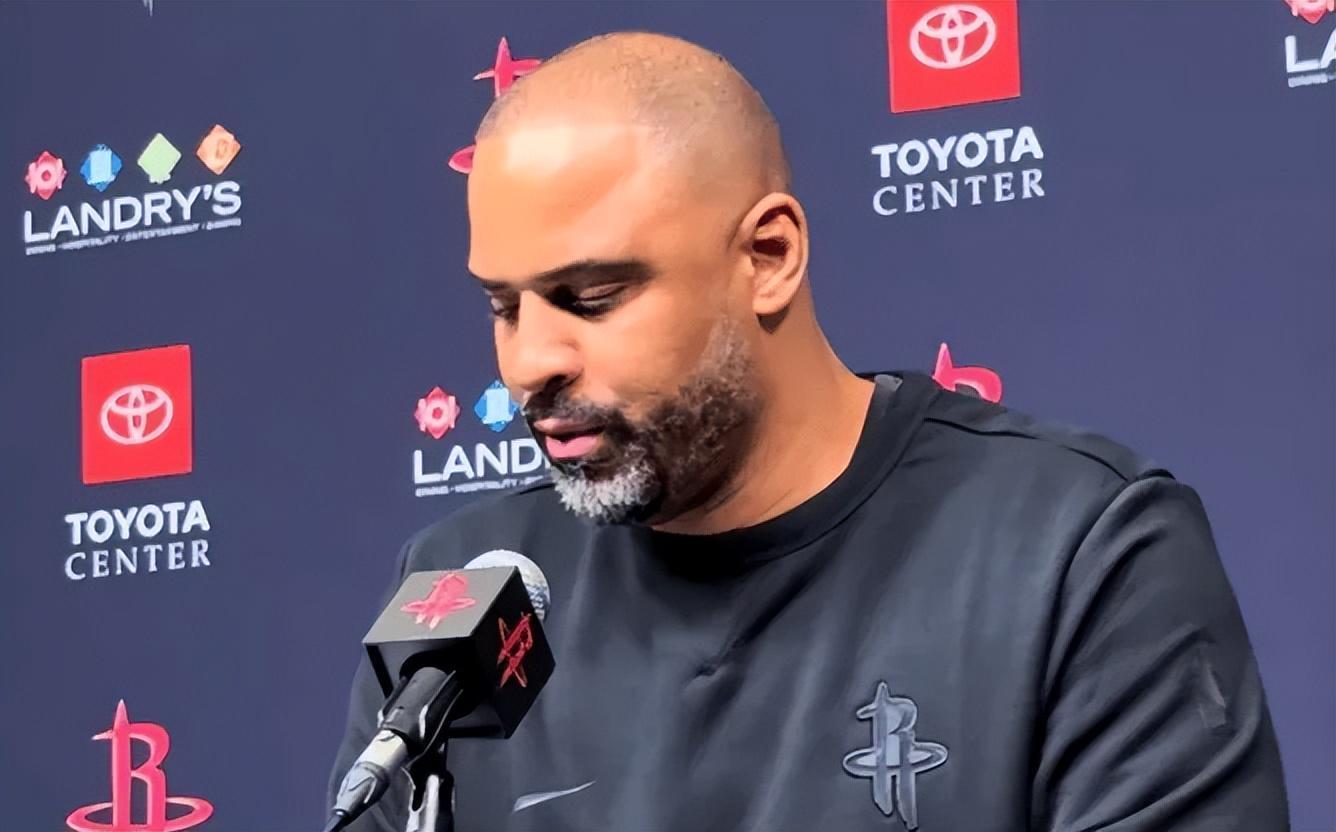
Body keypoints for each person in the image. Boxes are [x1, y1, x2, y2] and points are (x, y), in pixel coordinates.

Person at [328, 31, 1288, 831]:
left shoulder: (1075, 552)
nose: (530, 361)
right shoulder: (463, 590)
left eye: (593, 296)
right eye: (504, 307)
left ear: (769, 256)